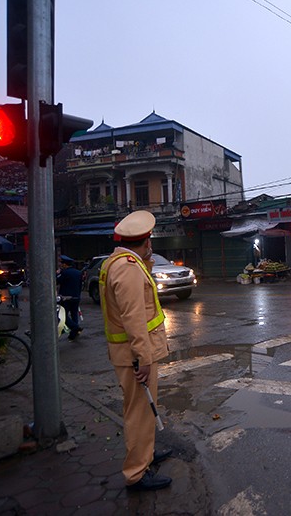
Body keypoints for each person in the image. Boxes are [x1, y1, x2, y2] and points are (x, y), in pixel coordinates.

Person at [100, 210, 172, 491]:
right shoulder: (127, 268)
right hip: (134, 355)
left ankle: (147, 453)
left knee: (143, 409)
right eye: (150, 240)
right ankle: (136, 473)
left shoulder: (120, 262)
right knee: (139, 412)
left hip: (130, 353)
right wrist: (143, 358)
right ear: (146, 240)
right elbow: (134, 318)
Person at [56, 255, 83, 340]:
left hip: (65, 298)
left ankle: (75, 327)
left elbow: (57, 281)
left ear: (65, 264)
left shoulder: (64, 273)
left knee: (62, 315)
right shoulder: (78, 273)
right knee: (74, 314)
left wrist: (57, 274)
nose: (61, 264)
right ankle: (74, 334)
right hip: (76, 297)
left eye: (62, 263)